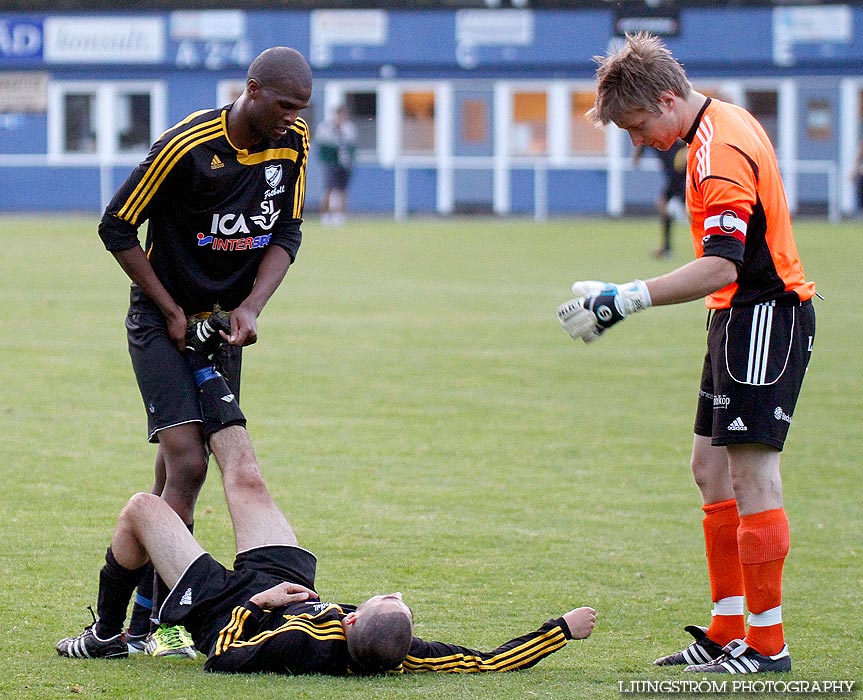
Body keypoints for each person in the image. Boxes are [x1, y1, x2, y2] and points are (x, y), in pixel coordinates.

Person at [57, 327, 597, 674]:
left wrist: (255, 606)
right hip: (288, 583)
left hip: (226, 608)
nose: (391, 592)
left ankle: (106, 633)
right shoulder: (398, 653)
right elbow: (485, 662)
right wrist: (560, 631)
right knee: (246, 479)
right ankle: (204, 362)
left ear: (355, 624)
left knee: (141, 510)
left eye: (385, 599)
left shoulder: (299, 648)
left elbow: (222, 659)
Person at [557, 33, 816, 674]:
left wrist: (628, 297)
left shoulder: (718, 148)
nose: (639, 141)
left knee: (753, 474)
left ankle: (767, 644)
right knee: (710, 468)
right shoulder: (715, 125)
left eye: (639, 126)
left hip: (764, 315)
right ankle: (730, 628)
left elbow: (721, 265)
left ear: (668, 99)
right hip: (736, 318)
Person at [96, 45, 313, 657]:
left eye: (301, 108)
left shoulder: (291, 142)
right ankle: (161, 626)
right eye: (284, 104)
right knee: (190, 462)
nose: (293, 117)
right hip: (161, 320)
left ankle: (139, 625)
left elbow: (287, 232)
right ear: (252, 88)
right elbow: (115, 226)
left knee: (177, 465)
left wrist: (249, 310)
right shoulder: (185, 145)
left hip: (222, 327)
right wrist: (168, 309)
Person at [632, 139, 687, 257]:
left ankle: (668, 249)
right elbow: (642, 142)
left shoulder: (679, 142)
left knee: (694, 214)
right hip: (674, 180)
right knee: (663, 205)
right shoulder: (655, 139)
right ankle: (667, 248)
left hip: (684, 180)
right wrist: (637, 157)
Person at [317, 105, 357, 225]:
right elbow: (323, 145)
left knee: (343, 190)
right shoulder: (326, 127)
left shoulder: (349, 127)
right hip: (332, 163)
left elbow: (352, 145)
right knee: (329, 189)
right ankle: (325, 215)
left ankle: (340, 215)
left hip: (345, 163)